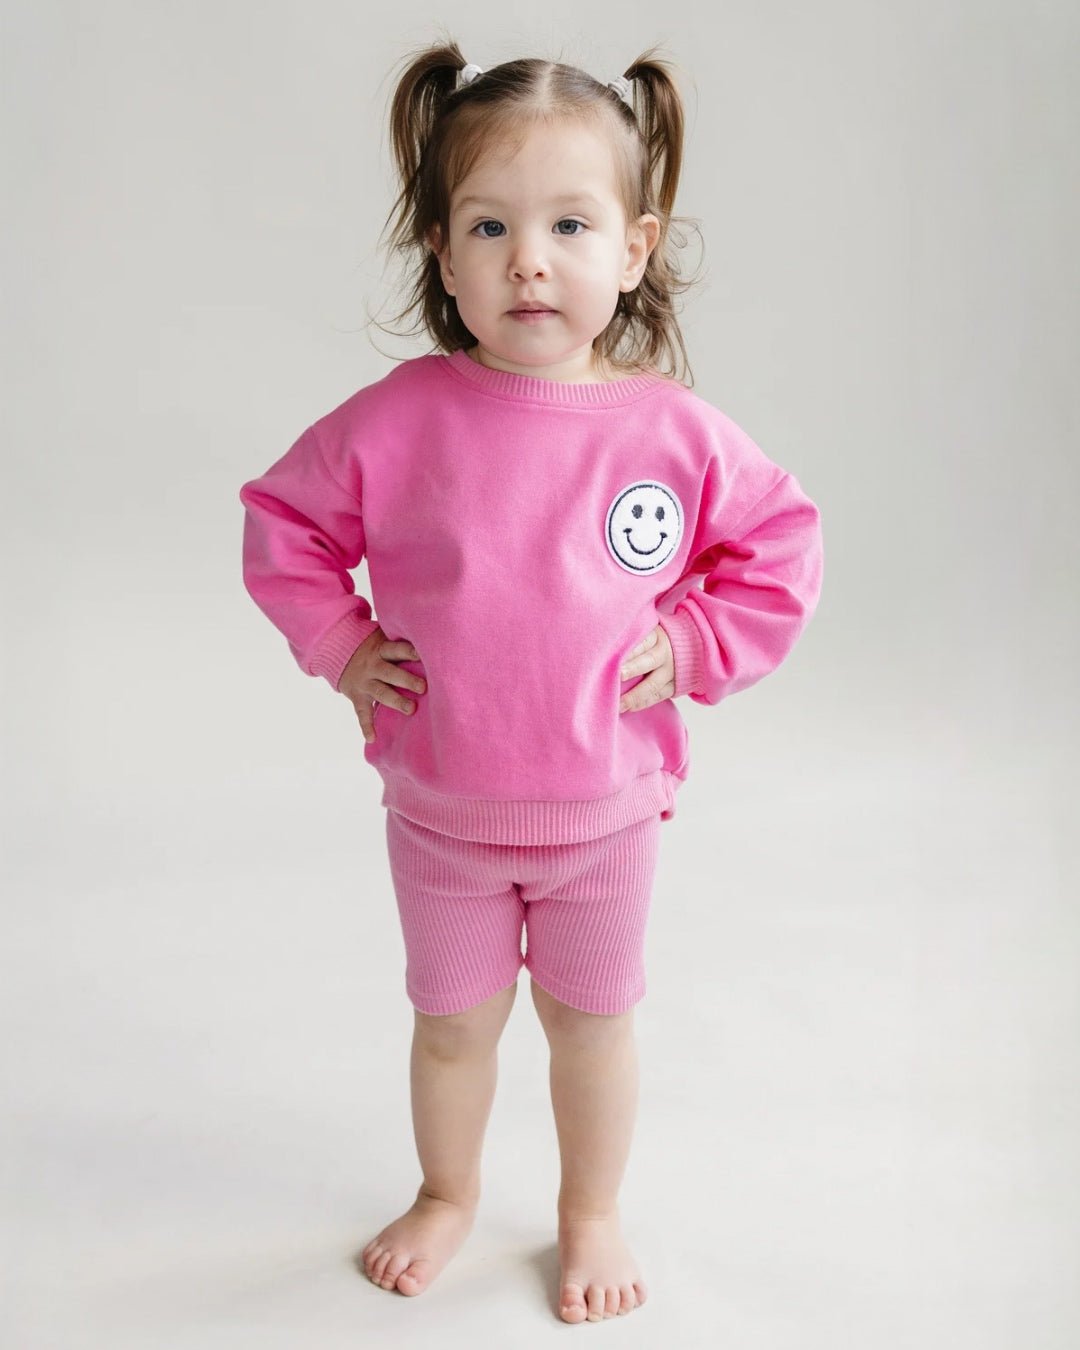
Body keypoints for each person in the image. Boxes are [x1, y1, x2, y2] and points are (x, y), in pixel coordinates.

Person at [238, 38, 824, 1325]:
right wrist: (343, 648)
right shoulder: (400, 419)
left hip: (603, 823)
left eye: (569, 223)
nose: (529, 260)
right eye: (490, 226)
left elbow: (782, 543)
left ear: (636, 246)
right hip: (441, 819)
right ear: (443, 255)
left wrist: (702, 643)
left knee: (589, 1029)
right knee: (451, 1029)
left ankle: (587, 1210)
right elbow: (283, 523)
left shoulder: (667, 430)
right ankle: (448, 1193)